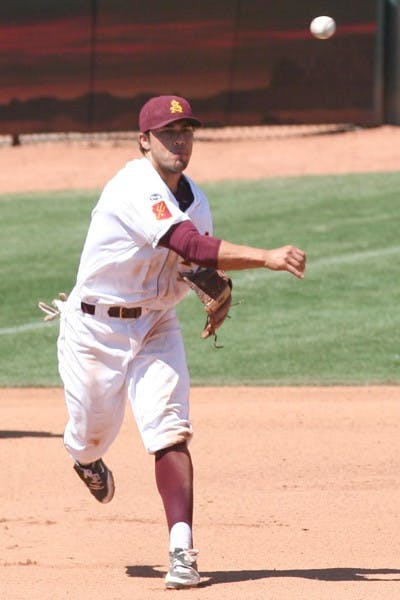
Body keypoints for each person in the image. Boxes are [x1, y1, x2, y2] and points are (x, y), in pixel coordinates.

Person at [56, 95, 306, 589]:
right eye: (169, 133)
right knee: (92, 432)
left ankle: (181, 550)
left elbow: (195, 264)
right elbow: (188, 244)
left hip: (156, 326)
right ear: (144, 141)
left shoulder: (196, 197)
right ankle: (84, 458)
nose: (180, 141)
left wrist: (218, 287)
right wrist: (265, 257)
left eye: (187, 131)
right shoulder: (132, 185)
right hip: (95, 330)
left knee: (170, 429)